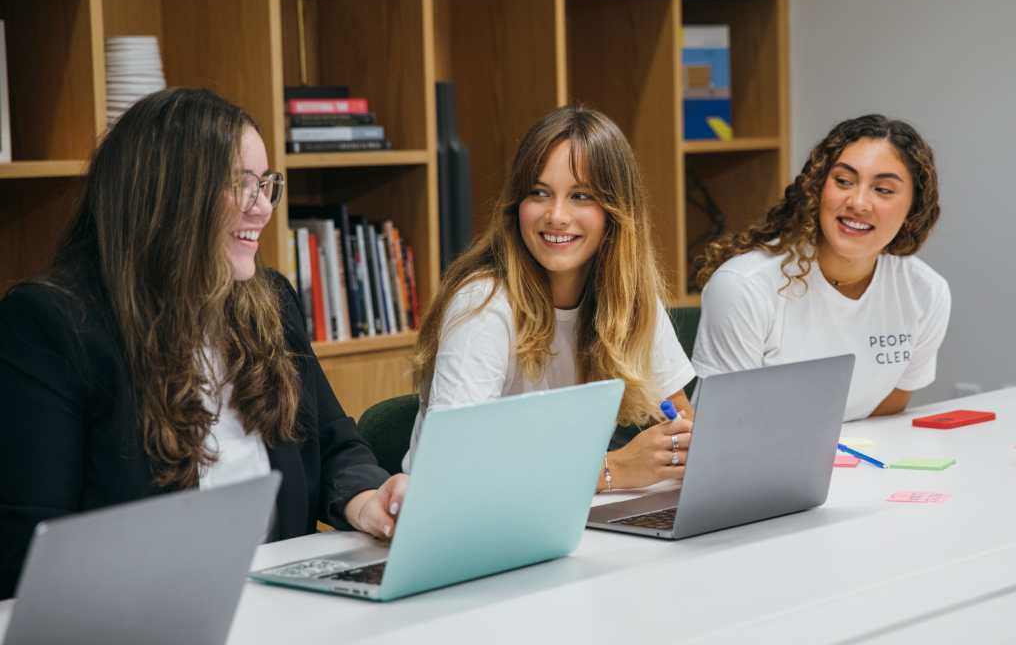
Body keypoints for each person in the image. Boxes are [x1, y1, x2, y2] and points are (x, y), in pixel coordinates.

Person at [0, 88, 406, 599]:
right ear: (166, 195)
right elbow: (26, 555)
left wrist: (366, 496)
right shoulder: (51, 323)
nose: (263, 209)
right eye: (242, 185)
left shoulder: (271, 302)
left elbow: (335, 446)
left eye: (266, 185)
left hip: (286, 609)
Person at [403, 106, 697, 490]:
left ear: (616, 212)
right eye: (539, 193)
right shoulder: (482, 304)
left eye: (580, 195)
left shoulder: (629, 297)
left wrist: (683, 449)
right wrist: (613, 470)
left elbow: (684, 431)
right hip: (468, 526)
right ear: (517, 204)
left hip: (562, 516)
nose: (556, 215)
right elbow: (451, 471)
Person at [693, 114, 950, 420]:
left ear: (913, 210)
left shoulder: (925, 292)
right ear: (816, 189)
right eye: (843, 181)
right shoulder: (744, 286)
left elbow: (887, 413)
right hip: (752, 463)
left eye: (883, 189)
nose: (858, 202)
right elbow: (726, 425)